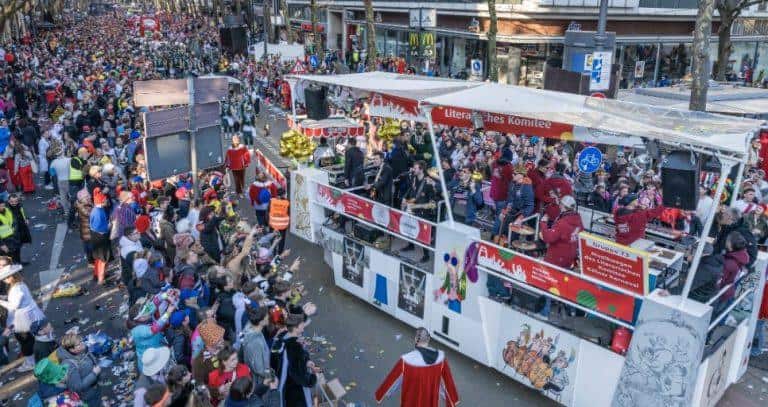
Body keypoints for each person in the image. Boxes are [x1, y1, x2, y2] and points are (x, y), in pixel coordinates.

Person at [375, 327, 459, 407]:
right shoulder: (441, 359)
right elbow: (448, 383)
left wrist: (380, 395)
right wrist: (452, 401)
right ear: (428, 339)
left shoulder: (406, 360)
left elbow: (392, 380)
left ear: (416, 339)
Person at [0, 264, 45, 372]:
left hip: (22, 319)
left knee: (25, 341)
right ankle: (33, 359)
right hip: (27, 316)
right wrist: (5, 298)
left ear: (13, 276)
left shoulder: (17, 289)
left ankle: (31, 362)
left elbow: (14, 305)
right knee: (29, 339)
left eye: (6, 277)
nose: (5, 279)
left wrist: (1, 301)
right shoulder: (19, 285)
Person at [270, 313, 318, 407]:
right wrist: (312, 378)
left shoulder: (281, 337)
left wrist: (306, 361)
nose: (303, 328)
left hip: (283, 382)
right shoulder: (295, 347)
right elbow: (299, 375)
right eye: (301, 326)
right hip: (294, 388)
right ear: (295, 328)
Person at [56, 333, 102, 406]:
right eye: (79, 344)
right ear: (72, 349)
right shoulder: (68, 365)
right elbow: (77, 387)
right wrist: (94, 374)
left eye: (81, 341)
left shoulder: (81, 350)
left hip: (94, 388)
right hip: (87, 396)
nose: (82, 344)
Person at [539, 195, 584, 269]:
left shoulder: (563, 223)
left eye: (560, 204)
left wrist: (543, 223)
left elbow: (549, 238)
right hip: (569, 258)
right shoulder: (578, 220)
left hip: (556, 259)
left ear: (562, 206)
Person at [241, 307, 271, 382]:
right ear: (261, 322)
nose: (269, 318)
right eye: (267, 317)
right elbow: (259, 369)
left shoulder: (249, 328)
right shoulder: (255, 342)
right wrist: (270, 376)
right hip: (260, 380)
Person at [89, 188, 111, 284]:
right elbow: (100, 228)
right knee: (103, 259)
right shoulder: (99, 212)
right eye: (105, 200)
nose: (107, 201)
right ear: (102, 201)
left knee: (98, 258)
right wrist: (109, 226)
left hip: (95, 237)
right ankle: (101, 279)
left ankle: (96, 275)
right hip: (100, 237)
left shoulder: (96, 210)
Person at [0, 196, 20, 262]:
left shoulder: (7, 210)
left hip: (13, 236)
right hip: (5, 240)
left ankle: (19, 264)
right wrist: (2, 244)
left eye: (3, 206)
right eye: (0, 206)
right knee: (8, 257)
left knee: (16, 252)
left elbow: (13, 220)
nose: (2, 208)